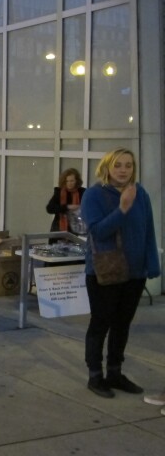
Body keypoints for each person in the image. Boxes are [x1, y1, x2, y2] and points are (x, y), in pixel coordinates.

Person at [81, 148, 160, 398]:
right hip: (105, 272)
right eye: (118, 165)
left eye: (128, 165)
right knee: (100, 324)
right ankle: (95, 376)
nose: (123, 170)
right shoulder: (93, 195)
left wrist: (152, 265)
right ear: (107, 167)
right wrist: (122, 209)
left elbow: (148, 231)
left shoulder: (141, 193)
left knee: (122, 325)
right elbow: (98, 232)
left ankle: (115, 372)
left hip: (134, 273)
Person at [46, 168, 85, 235]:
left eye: (72, 181)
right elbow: (50, 208)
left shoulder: (82, 192)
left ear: (76, 181)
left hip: (77, 228)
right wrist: (67, 207)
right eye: (67, 181)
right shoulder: (59, 192)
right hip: (59, 228)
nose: (69, 183)